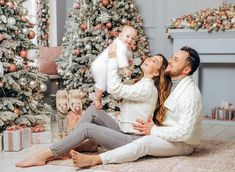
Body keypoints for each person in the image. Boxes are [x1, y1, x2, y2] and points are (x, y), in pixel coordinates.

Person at [15, 45, 172, 168]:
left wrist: (111, 58)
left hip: (133, 140)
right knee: (93, 111)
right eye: (151, 58)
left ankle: (46, 154)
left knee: (86, 129)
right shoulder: (139, 83)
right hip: (124, 132)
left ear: (157, 73)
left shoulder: (147, 88)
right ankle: (81, 146)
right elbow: (118, 94)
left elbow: (115, 88)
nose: (149, 59)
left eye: (154, 61)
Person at [70, 46, 203, 168]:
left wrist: (154, 130)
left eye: (175, 60)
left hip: (182, 143)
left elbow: (185, 133)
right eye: (172, 57)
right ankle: (72, 143)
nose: (170, 61)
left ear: (186, 70)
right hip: (164, 133)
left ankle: (96, 160)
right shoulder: (168, 83)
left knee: (145, 143)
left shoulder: (190, 94)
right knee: (101, 116)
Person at [91, 25, 137, 109]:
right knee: (101, 84)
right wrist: (125, 68)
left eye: (133, 38)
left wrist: (130, 60)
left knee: (106, 83)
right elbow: (121, 56)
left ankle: (99, 98)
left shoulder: (124, 46)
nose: (130, 39)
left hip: (102, 65)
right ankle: (97, 99)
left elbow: (128, 54)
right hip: (101, 66)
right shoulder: (120, 45)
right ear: (120, 36)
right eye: (127, 36)